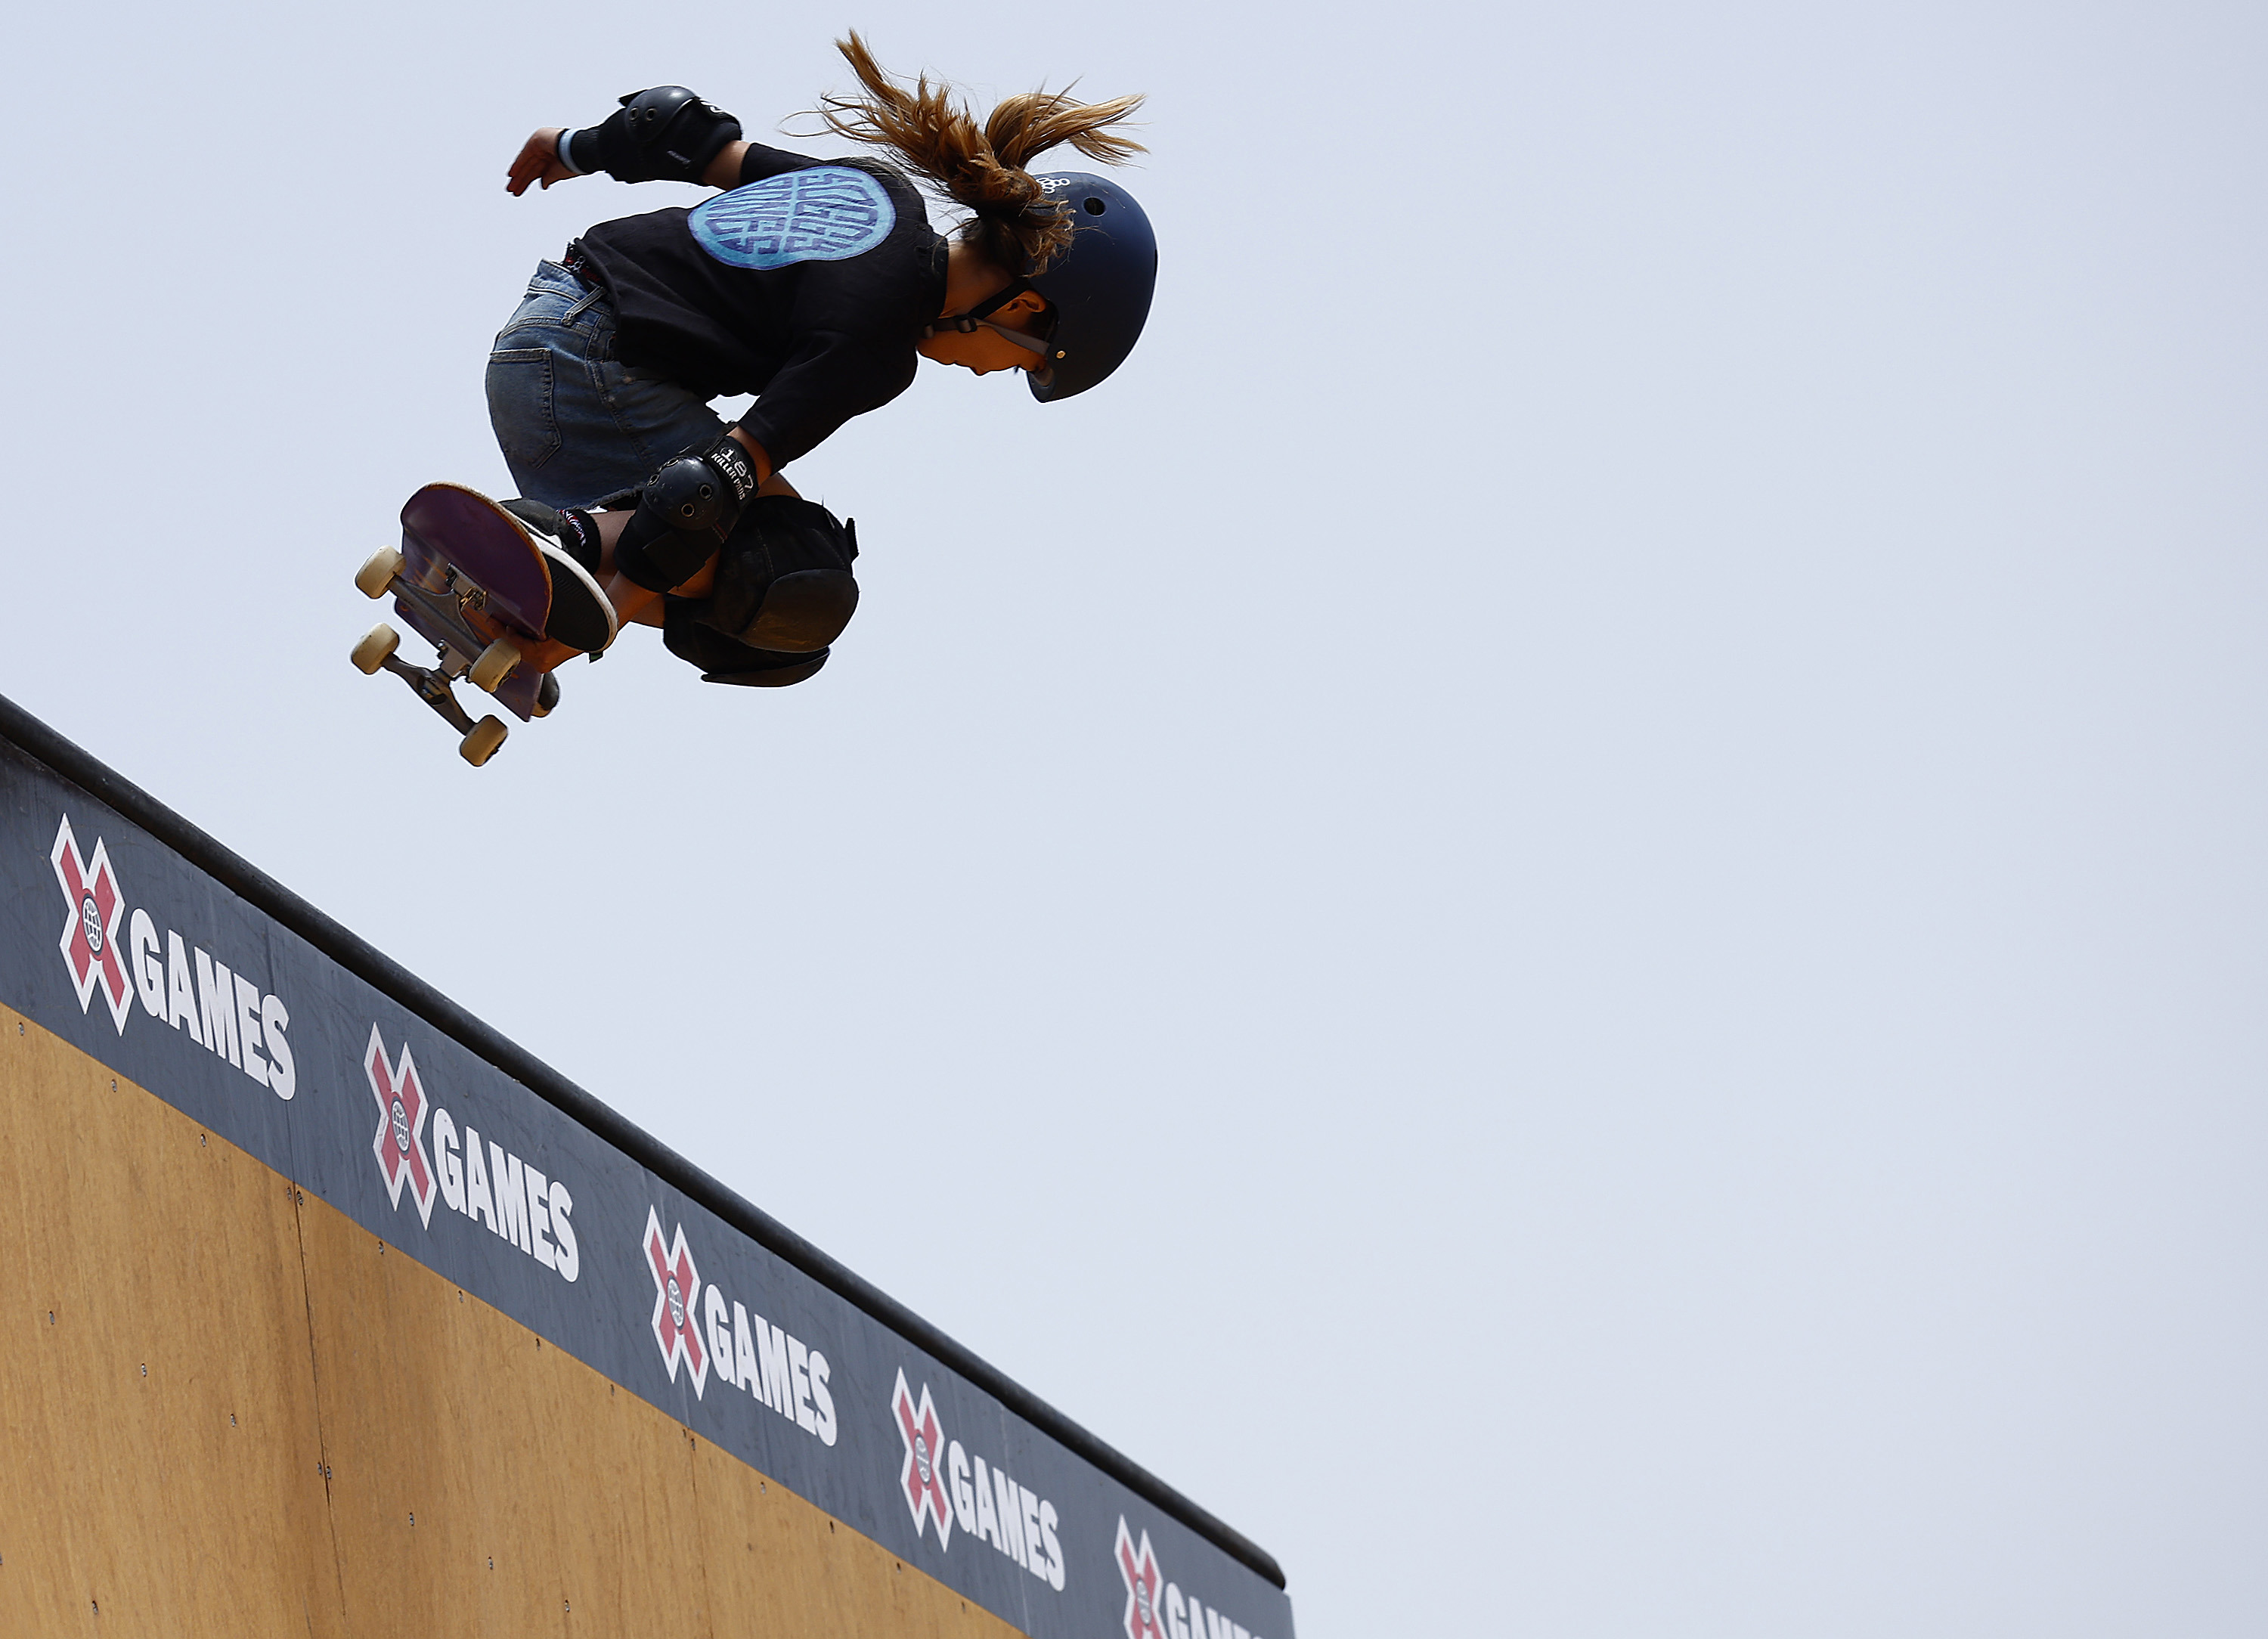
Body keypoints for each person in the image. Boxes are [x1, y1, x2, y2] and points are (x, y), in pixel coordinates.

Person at [483, 33, 1157, 688]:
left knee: (773, 641)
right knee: (797, 579)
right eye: (1017, 364)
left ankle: (536, 581)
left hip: (544, 333)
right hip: (590, 374)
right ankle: (551, 541)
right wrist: (591, 630)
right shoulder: (876, 345)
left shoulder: (880, 193)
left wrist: (573, 147)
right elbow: (705, 490)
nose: (986, 373)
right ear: (1023, 308)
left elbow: (680, 132)